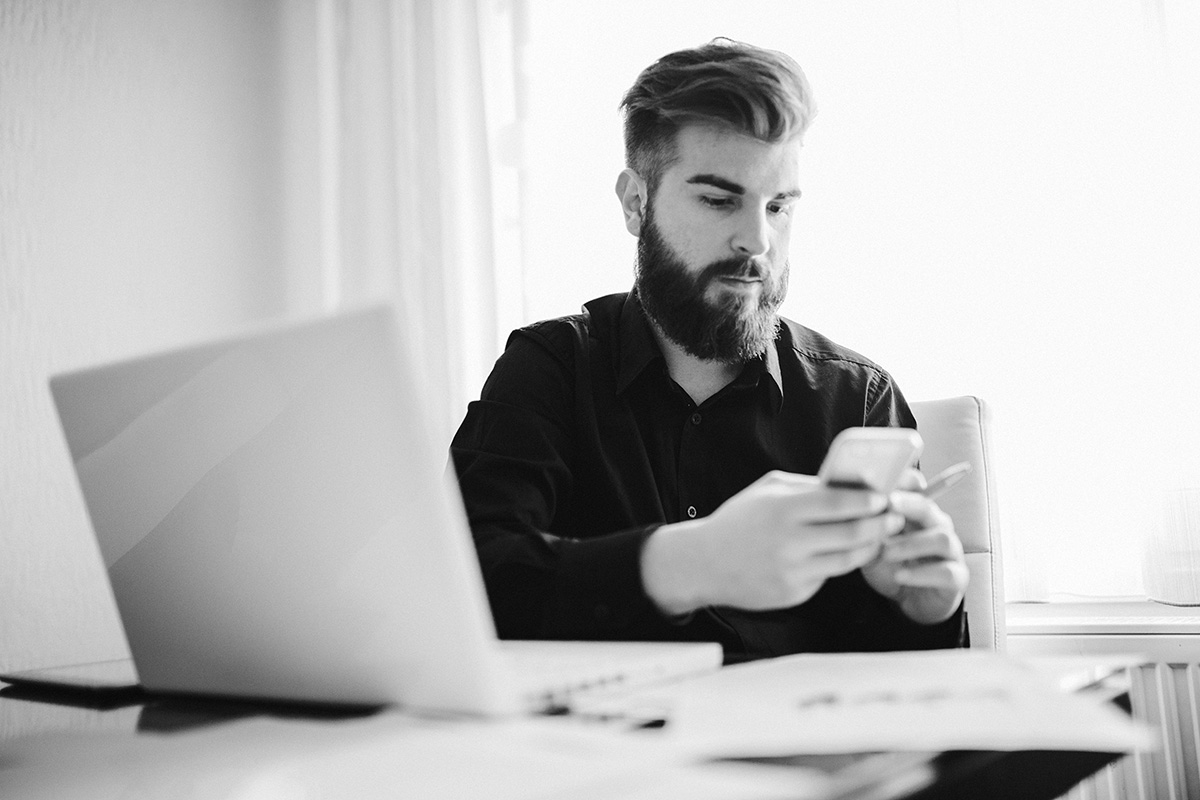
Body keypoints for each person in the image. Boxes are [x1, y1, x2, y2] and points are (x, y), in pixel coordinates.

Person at [450, 38, 969, 660]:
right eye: (720, 200)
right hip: (607, 751)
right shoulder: (549, 369)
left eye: (778, 206)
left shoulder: (857, 398)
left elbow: (902, 686)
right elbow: (465, 585)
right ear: (635, 202)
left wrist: (926, 610)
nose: (756, 240)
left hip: (794, 751)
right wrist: (690, 562)